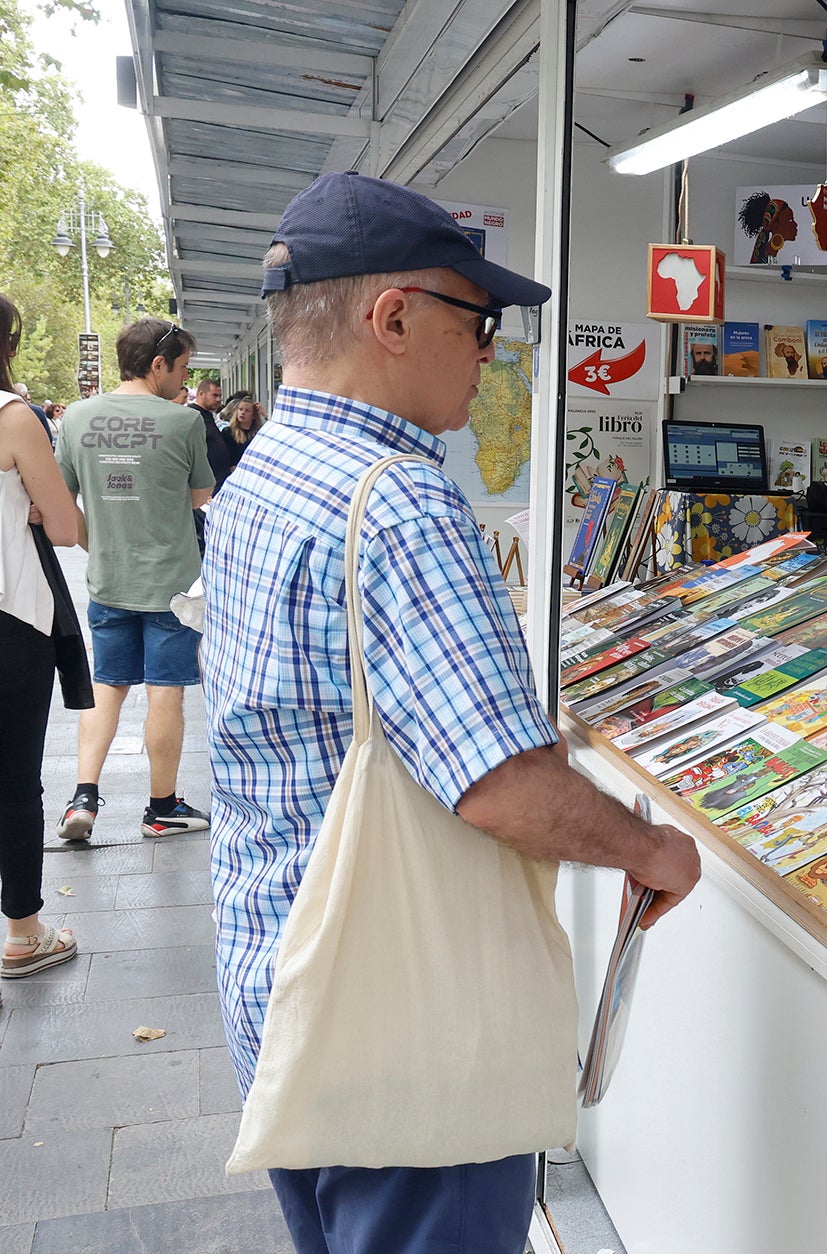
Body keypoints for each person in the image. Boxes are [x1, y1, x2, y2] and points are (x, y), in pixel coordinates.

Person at [202, 170, 700, 1252]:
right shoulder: (401, 500)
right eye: (478, 322)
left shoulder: (263, 470)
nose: (492, 351)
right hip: (400, 1032)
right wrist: (647, 848)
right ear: (391, 318)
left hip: (284, 983)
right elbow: (501, 786)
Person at [53, 316, 215, 841]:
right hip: (172, 587)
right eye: (183, 367)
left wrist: (97, 545)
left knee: (107, 687)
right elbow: (198, 499)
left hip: (109, 580)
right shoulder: (184, 422)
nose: (185, 380)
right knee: (167, 692)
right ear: (158, 364)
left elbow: (59, 504)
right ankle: (162, 808)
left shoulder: (77, 417)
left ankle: (83, 798)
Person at [0, 293, 87, 979]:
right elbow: (65, 527)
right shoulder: (13, 419)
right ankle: (24, 934)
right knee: (13, 782)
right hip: (10, 621)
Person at [205, 390, 262, 494]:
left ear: (253, 415)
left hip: (251, 477)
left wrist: (265, 414)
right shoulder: (229, 432)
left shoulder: (258, 433)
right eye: (240, 409)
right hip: (233, 475)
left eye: (247, 410)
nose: (242, 412)